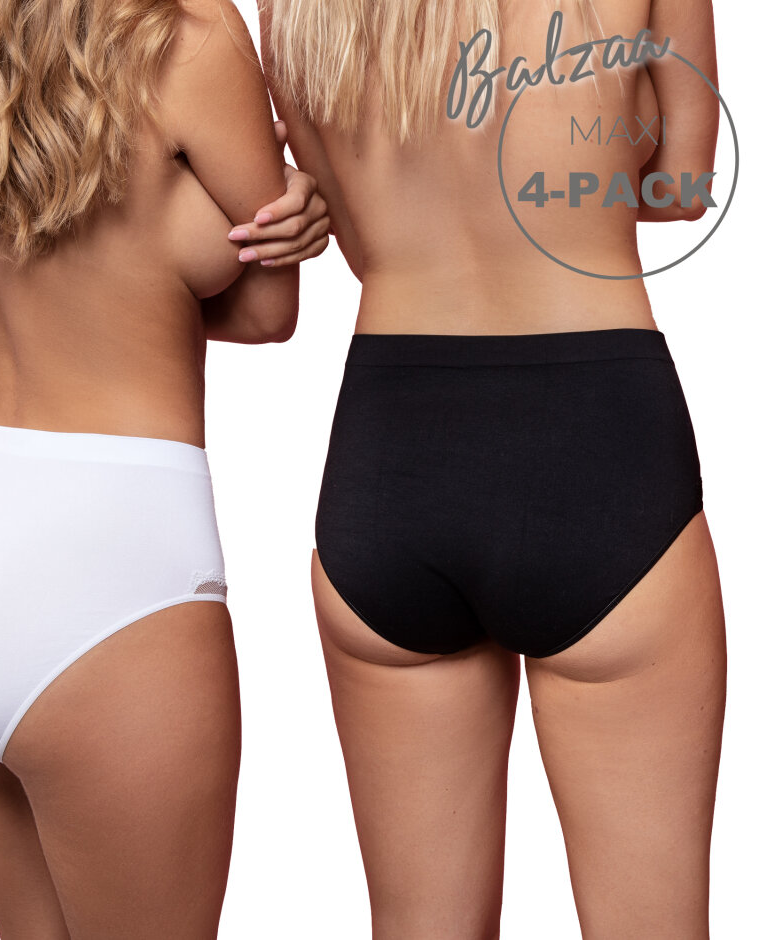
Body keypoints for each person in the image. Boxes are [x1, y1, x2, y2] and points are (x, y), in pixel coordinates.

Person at [258, 0, 726, 936]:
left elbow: (359, 244)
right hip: (598, 445)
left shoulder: (295, 8)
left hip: (392, 457)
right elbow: (682, 187)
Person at [0, 1, 329, 937]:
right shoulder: (192, 38)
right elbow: (265, 311)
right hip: (103, 579)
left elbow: (37, 255)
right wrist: (291, 201)